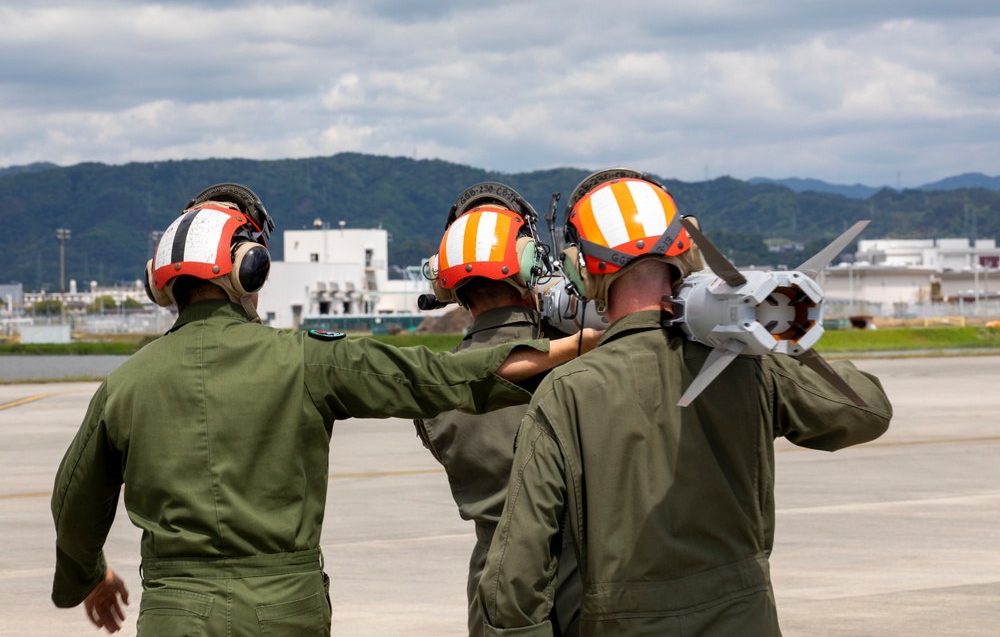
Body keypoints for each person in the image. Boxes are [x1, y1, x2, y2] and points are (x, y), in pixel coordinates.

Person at [50, 183, 600, 636]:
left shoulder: (124, 385)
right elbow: (439, 376)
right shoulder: (305, 360)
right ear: (249, 271)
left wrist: (91, 575)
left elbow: (72, 503)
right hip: (284, 611)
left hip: (174, 614)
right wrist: (573, 345)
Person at [478, 168, 893, 636]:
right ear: (687, 252)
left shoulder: (568, 390)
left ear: (582, 267)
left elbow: (516, 572)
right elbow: (868, 411)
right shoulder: (747, 365)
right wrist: (768, 334)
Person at [416, 182, 582, 636]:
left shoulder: (434, 386)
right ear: (531, 267)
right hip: (583, 576)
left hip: (494, 585)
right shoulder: (579, 360)